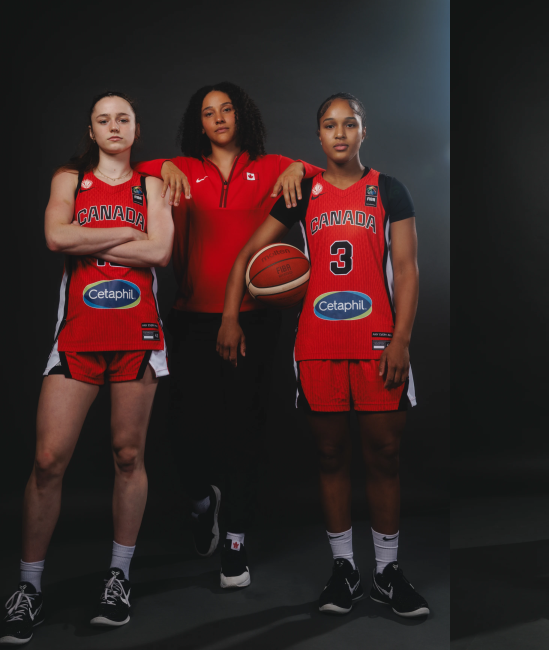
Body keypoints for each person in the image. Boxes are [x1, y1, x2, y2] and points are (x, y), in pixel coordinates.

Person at [217, 93, 429, 618]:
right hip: (317, 343)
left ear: (363, 132)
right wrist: (229, 315)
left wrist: (402, 339)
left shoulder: (389, 190)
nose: (340, 133)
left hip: (379, 340)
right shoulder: (302, 192)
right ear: (318, 137)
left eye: (349, 124)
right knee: (331, 456)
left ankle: (386, 571)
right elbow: (248, 255)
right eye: (330, 125)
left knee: (384, 456)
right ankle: (344, 569)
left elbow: (406, 270)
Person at [131, 82, 321, 588]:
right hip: (192, 315)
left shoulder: (272, 165)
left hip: (255, 318)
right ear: (198, 123)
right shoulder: (182, 170)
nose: (218, 118)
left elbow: (322, 173)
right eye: (208, 113)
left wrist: (298, 170)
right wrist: (162, 167)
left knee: (245, 430)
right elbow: (129, 170)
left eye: (227, 109)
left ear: (243, 116)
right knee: (183, 431)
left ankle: (235, 540)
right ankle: (201, 503)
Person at [0, 92, 173, 645]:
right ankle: (29, 586)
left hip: (138, 335)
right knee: (48, 459)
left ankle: (118, 577)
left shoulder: (153, 185)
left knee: (128, 455)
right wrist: (130, 235)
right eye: (104, 119)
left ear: (136, 128)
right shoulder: (69, 180)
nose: (114, 126)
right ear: (92, 131)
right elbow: (57, 237)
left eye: (123, 117)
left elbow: (162, 252)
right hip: (77, 334)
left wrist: (95, 240)